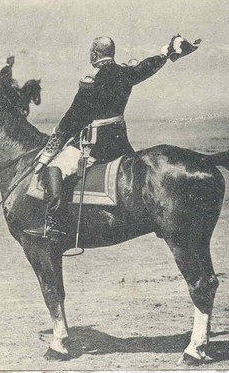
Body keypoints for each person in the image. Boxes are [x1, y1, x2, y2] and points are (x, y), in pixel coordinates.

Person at [24, 35, 200, 241]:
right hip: (120, 145)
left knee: (55, 168)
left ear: (95, 53)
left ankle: (53, 225)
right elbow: (147, 67)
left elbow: (71, 120)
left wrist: (48, 152)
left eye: (91, 51)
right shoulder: (126, 74)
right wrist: (166, 53)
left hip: (96, 146)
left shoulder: (91, 81)